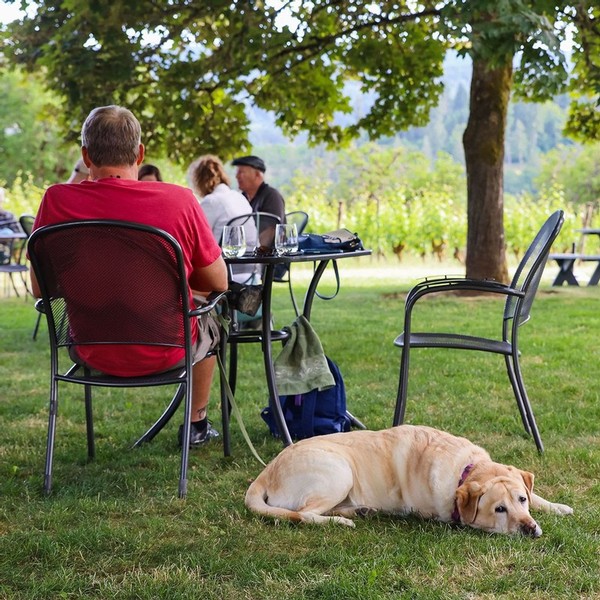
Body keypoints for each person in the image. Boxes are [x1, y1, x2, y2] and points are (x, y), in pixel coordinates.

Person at [31, 105, 228, 448]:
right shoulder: (179, 201)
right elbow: (219, 283)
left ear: (86, 155)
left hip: (90, 348)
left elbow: (40, 288)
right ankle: (196, 423)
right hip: (169, 349)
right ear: (140, 153)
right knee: (212, 320)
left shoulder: (57, 200)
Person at [231, 155, 286, 226]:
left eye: (241, 172)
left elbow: (271, 230)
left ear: (257, 175)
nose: (237, 176)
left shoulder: (272, 196)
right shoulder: (242, 198)